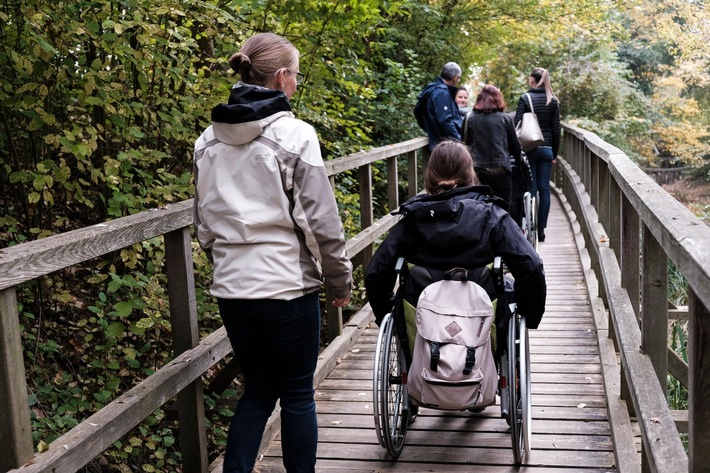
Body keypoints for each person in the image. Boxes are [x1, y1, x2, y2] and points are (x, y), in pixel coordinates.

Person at [193, 32, 353, 473]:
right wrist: (339, 281)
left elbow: (203, 223)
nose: (296, 83)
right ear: (282, 77)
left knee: (258, 391)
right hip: (286, 286)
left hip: (232, 288)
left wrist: (227, 264)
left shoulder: (207, 141)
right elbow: (320, 222)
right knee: (298, 394)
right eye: (296, 75)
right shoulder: (295, 135)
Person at [364, 140, 546, 332]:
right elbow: (531, 265)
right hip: (482, 323)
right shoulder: (492, 215)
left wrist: (388, 313)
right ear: (470, 173)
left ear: (430, 175)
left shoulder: (413, 220)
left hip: (423, 324)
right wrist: (529, 315)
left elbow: (376, 273)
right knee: (506, 287)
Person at [514, 67, 561, 242]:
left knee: (531, 187)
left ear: (532, 80)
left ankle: (531, 227)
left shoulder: (525, 98)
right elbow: (556, 130)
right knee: (545, 189)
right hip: (547, 148)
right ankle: (541, 230)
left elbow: (517, 123)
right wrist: (554, 153)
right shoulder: (553, 100)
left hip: (530, 147)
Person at [463, 84, 523, 207]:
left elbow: (463, 145)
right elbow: (515, 147)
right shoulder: (505, 119)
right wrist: (520, 162)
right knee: (503, 209)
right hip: (501, 171)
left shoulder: (469, 118)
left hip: (477, 172)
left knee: (477, 209)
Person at [414, 62, 464, 151]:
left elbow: (417, 111)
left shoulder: (432, 89)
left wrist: (429, 130)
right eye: (458, 78)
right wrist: (458, 140)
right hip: (444, 146)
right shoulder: (441, 92)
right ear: (455, 78)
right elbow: (445, 120)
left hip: (437, 143)